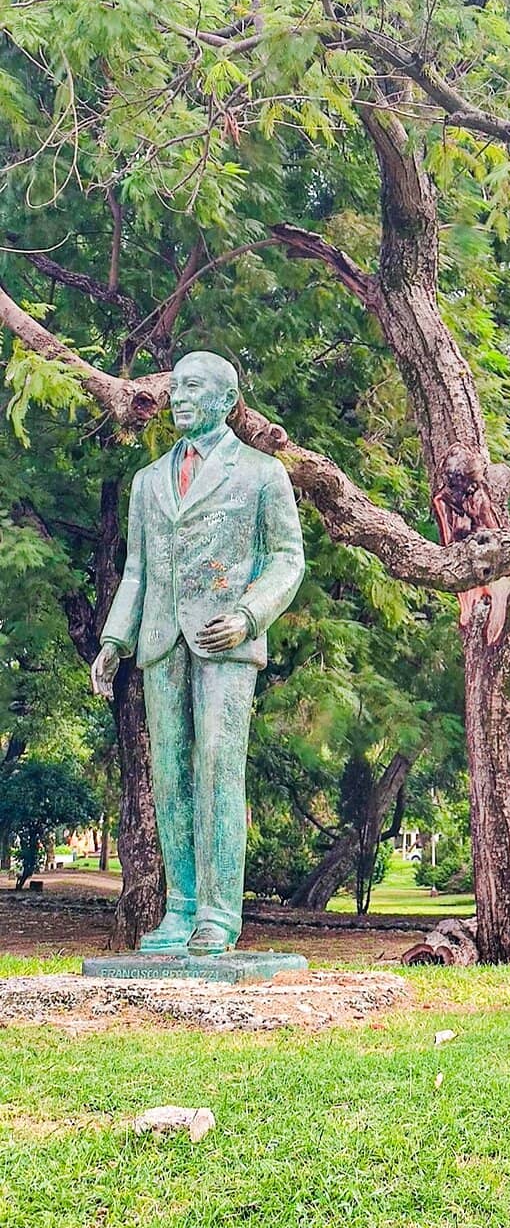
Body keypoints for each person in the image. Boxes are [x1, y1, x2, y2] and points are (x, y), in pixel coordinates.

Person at [90, 351, 305, 955]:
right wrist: (114, 639)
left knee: (217, 766)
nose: (177, 397)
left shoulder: (263, 473)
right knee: (171, 774)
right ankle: (180, 909)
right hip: (160, 642)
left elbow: (288, 558)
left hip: (226, 643)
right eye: (174, 388)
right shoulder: (148, 480)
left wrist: (248, 615)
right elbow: (136, 568)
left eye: (191, 387)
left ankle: (218, 913)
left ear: (225, 397)